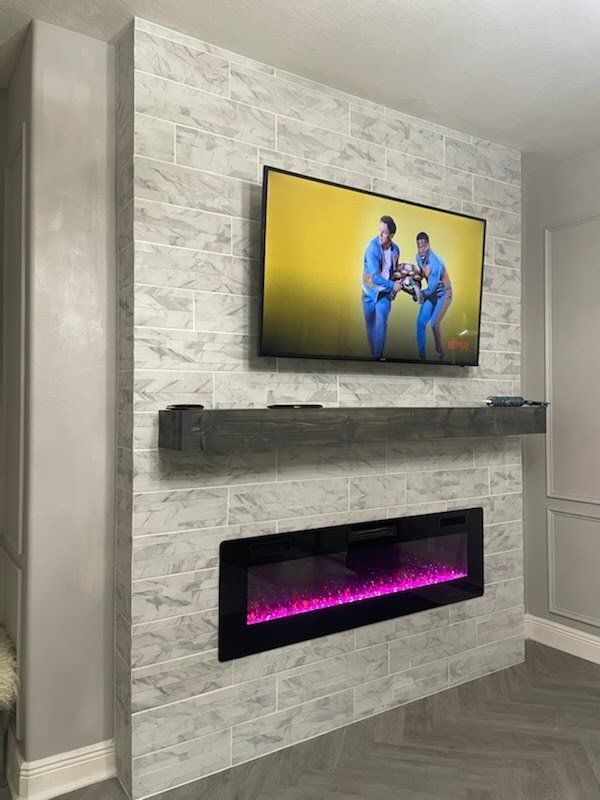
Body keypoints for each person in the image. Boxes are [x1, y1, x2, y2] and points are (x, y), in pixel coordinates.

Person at [362, 216, 403, 358]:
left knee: (381, 321)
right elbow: (374, 277)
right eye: (379, 230)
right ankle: (374, 358)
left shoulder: (396, 250)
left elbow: (394, 271)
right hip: (369, 292)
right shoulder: (372, 247)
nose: (379, 234)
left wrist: (395, 288)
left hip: (384, 294)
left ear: (391, 235)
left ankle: (378, 358)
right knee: (370, 327)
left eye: (384, 232)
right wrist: (393, 285)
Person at [414, 232, 453, 360]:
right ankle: (421, 357)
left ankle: (440, 351)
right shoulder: (418, 258)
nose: (422, 249)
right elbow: (420, 276)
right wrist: (414, 286)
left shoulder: (436, 264)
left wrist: (419, 294)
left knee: (434, 323)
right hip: (431, 294)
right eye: (419, 246)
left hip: (443, 294)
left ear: (428, 245)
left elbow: (431, 289)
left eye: (424, 246)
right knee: (420, 323)